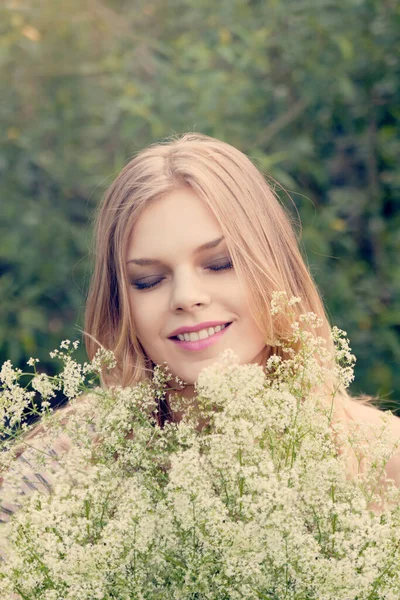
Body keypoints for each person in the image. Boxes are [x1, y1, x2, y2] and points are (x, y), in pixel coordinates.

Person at [2, 132, 400, 533]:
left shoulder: (383, 458)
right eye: (149, 280)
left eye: (220, 263)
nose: (187, 297)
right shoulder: (60, 466)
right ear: (121, 306)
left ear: (274, 267)